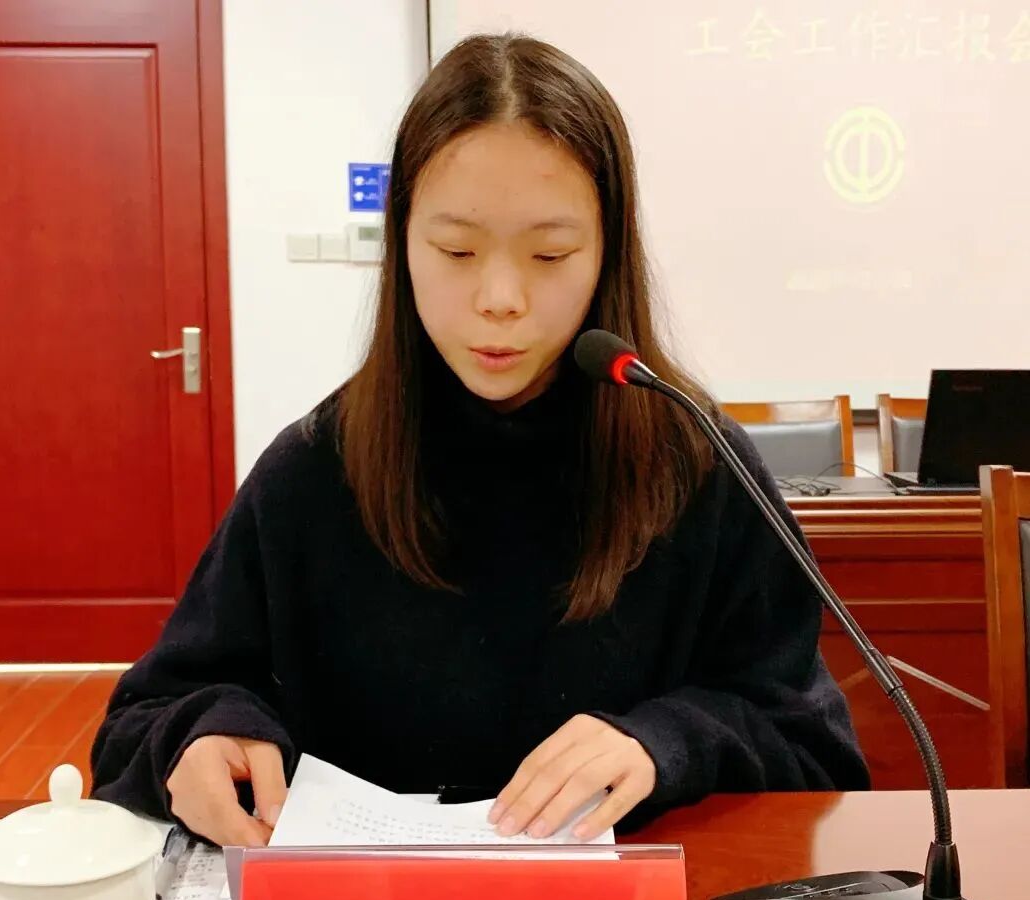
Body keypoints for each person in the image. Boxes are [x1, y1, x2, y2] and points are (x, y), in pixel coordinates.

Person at [90, 32, 869, 849]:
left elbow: (814, 749)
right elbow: (142, 718)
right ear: (402, 241)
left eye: (550, 253)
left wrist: (666, 741)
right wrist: (201, 737)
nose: (500, 297)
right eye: (456, 249)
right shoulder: (315, 469)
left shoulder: (695, 466)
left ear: (607, 251)